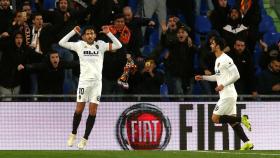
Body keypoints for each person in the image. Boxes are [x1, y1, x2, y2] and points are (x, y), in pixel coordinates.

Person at [58, 25, 122, 149]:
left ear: (95, 35)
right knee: (79, 110)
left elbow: (118, 45)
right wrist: (73, 31)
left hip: (97, 84)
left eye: (92, 33)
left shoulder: (101, 45)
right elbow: (61, 42)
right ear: (83, 36)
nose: (90, 35)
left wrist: (109, 33)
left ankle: (85, 139)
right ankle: (73, 133)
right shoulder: (79, 45)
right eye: (87, 33)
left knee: (93, 111)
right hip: (84, 83)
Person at [194, 36, 254, 150]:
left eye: (213, 43)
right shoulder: (217, 60)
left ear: (218, 46)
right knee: (233, 123)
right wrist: (203, 77)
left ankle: (242, 119)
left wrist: (223, 85)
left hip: (228, 94)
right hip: (228, 94)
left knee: (215, 118)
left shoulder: (226, 59)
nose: (211, 45)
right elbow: (217, 77)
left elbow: (237, 75)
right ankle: (247, 142)